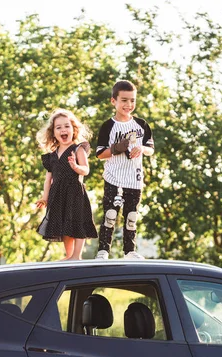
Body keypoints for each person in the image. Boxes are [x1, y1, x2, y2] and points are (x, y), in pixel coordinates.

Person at [94, 80, 155, 260]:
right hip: (114, 177)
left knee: (132, 216)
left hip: (134, 179)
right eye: (124, 100)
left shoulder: (142, 125)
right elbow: (99, 154)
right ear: (114, 101)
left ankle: (129, 251)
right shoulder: (108, 126)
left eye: (132, 101)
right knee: (110, 215)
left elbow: (151, 149)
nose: (129, 105)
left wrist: (142, 149)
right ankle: (103, 250)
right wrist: (115, 148)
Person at [36, 108, 98, 260]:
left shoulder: (78, 149)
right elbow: (48, 179)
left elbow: (86, 169)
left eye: (66, 126)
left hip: (74, 192)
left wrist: (76, 167)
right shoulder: (52, 156)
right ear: (53, 132)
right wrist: (45, 197)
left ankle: (77, 255)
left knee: (77, 221)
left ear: (73, 129)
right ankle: (69, 255)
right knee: (64, 224)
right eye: (59, 127)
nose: (63, 129)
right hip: (57, 194)